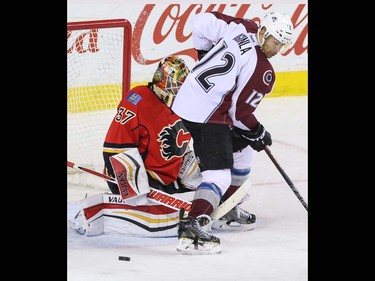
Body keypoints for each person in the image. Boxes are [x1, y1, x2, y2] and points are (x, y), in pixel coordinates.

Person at [171, 11, 294, 254]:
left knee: (243, 150)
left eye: (282, 44)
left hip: (190, 96)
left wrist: (204, 54)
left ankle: (224, 207)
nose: (277, 49)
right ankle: (193, 227)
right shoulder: (262, 70)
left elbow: (199, 21)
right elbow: (240, 115)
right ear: (265, 33)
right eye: (274, 42)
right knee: (219, 175)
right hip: (206, 112)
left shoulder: (241, 27)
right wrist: (258, 132)